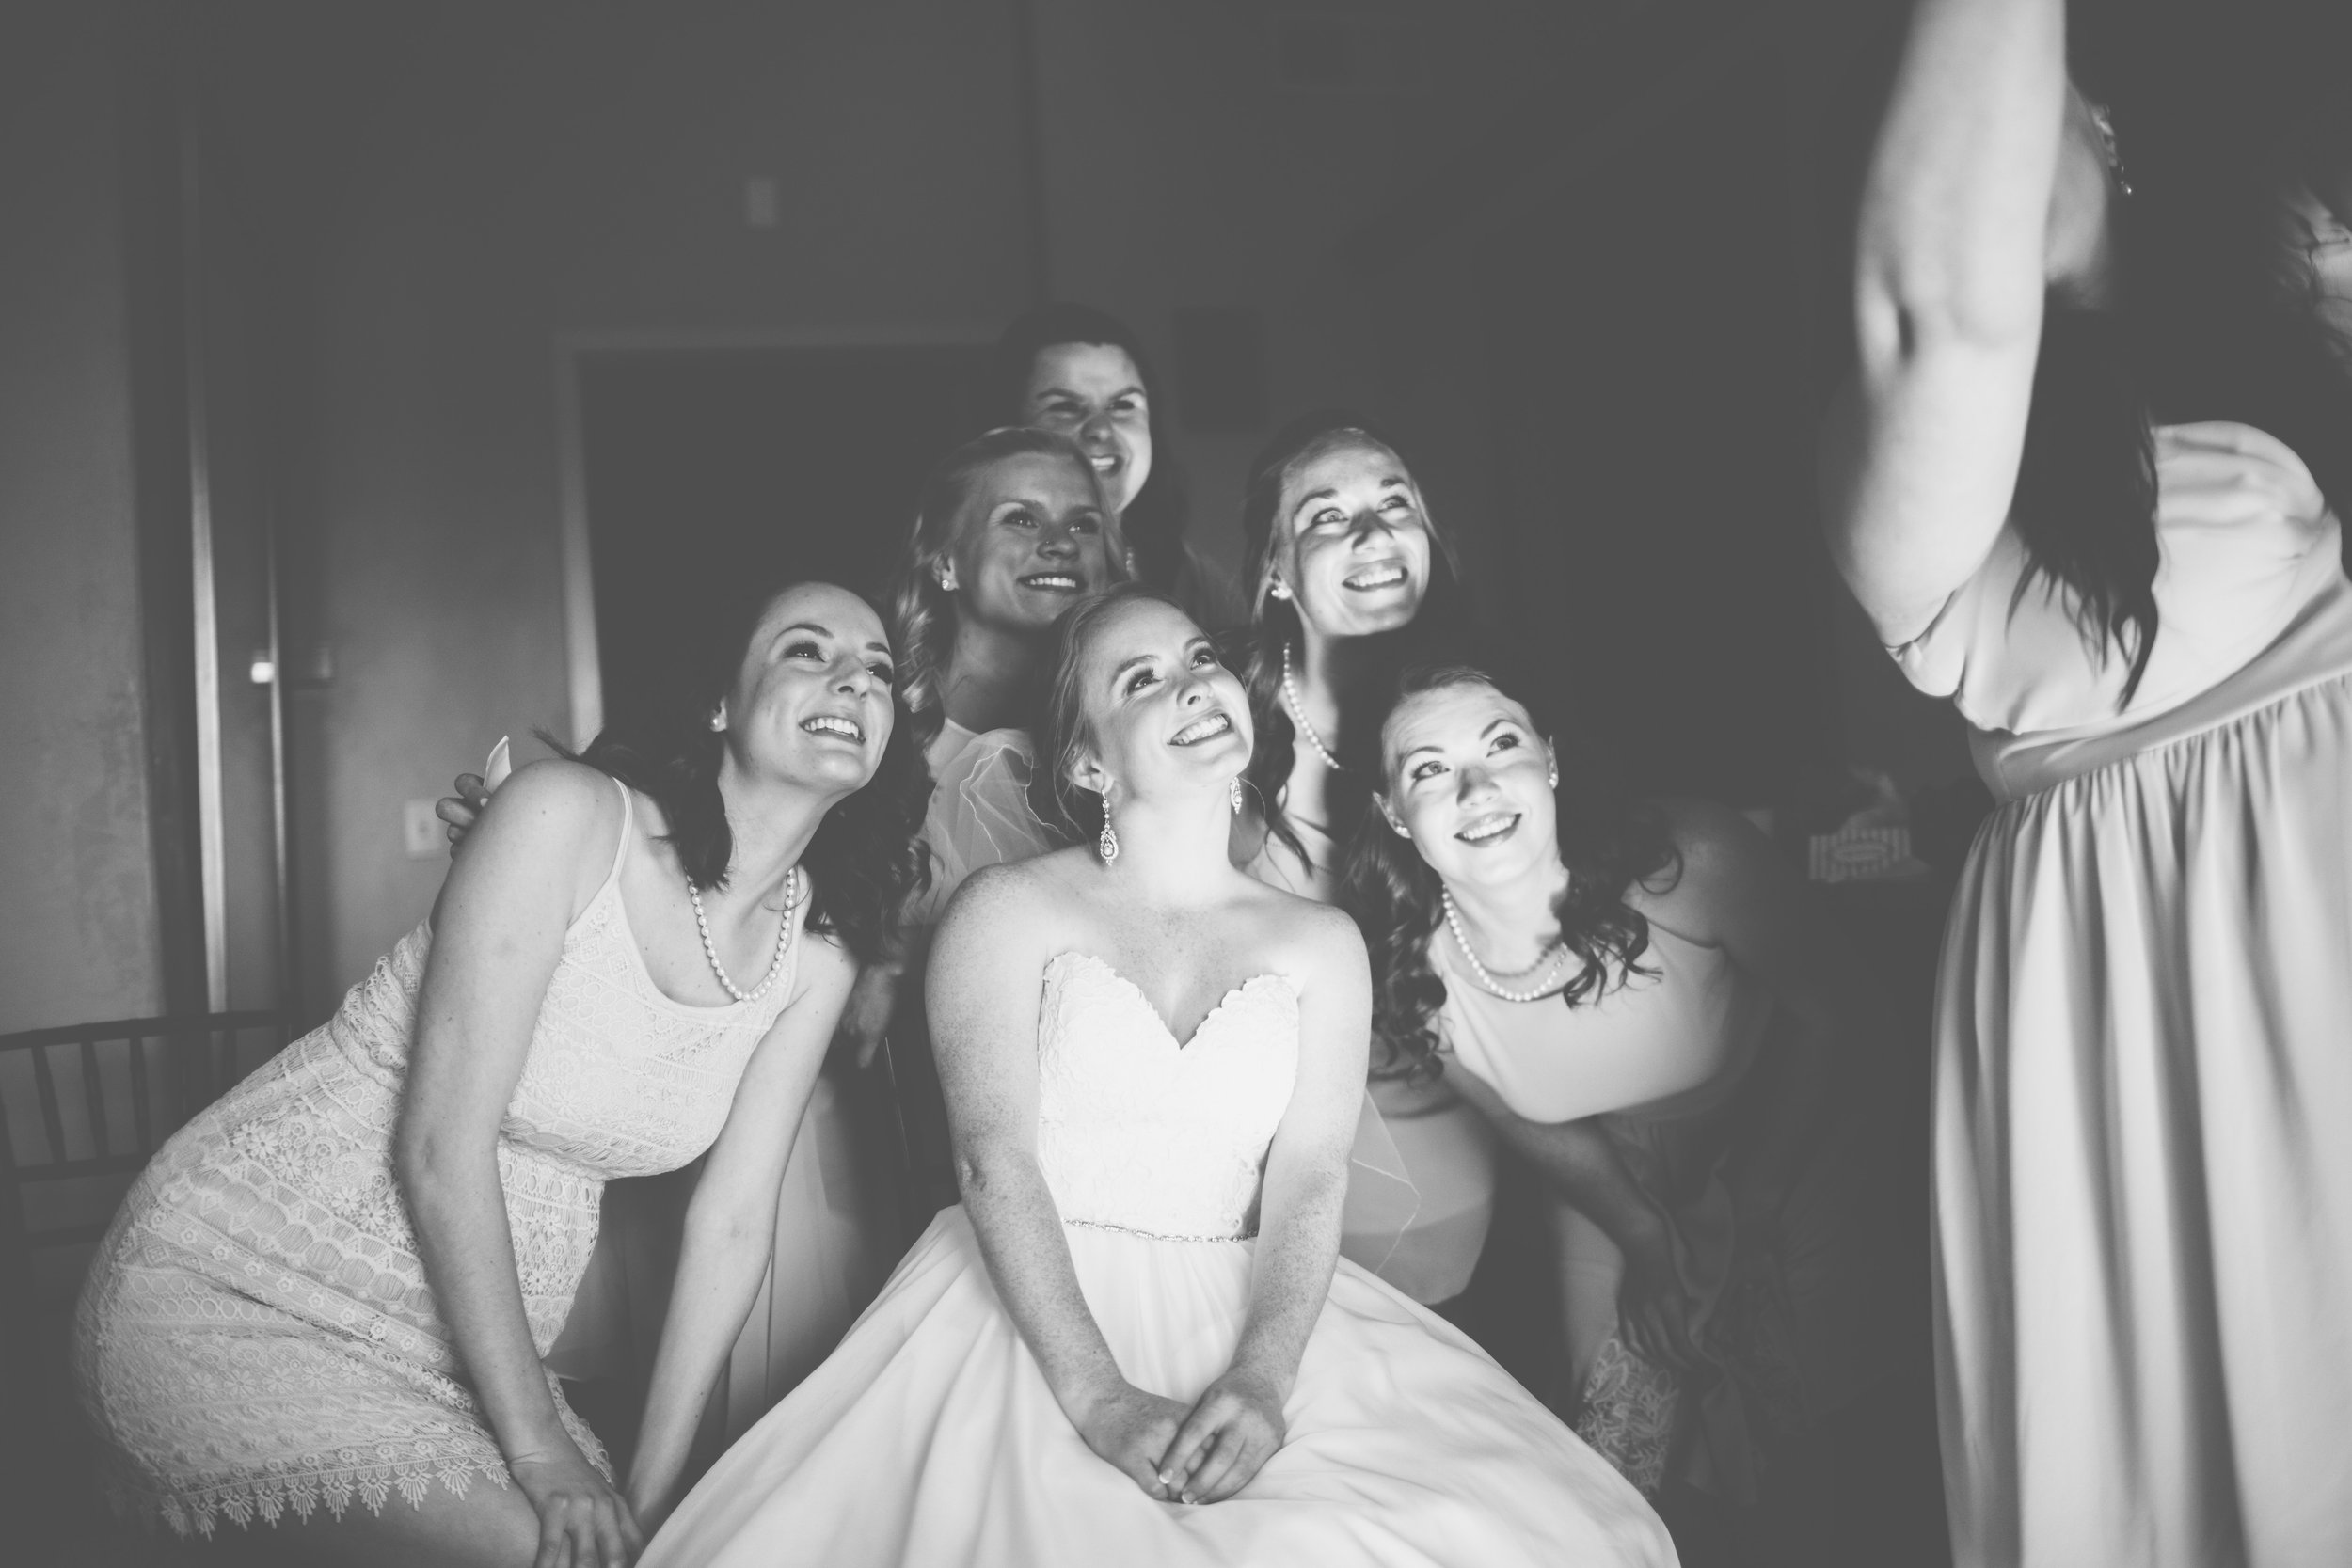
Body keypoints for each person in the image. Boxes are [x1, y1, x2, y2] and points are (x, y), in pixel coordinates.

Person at [636, 585, 1677, 1567]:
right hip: (1024, 1304)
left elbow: (1311, 1175)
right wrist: (1096, 1395)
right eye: (1139, 679)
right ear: (1088, 764)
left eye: (1202, 658)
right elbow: (990, 1155)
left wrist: (1266, 1378)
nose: (1190, 684)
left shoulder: (1323, 941)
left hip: (1246, 1304)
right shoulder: (1006, 909)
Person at [73, 579, 928, 1566]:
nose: (853, 681)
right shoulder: (565, 817)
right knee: (547, 1551)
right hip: (237, 1288)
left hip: (454, 1347)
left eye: (876, 671)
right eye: (808, 650)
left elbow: (734, 1222)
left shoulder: (815, 946)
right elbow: (439, 1143)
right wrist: (539, 1446)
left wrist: (652, 1488)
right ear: (721, 701)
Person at [1827, 1, 2352, 1561]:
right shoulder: (1895, 430)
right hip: (2123, 961)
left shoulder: (2291, 323)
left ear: (2103, 131)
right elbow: (1953, 309)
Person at [437, 428, 1124, 1429]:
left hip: (1059, 1143)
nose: (1056, 541)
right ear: (941, 556)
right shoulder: (860, 712)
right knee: (810, 1413)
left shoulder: (1118, 730)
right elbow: (673, 819)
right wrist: (518, 851)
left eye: (1082, 522)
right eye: (1021, 517)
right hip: (834, 1119)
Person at [1345, 663, 1906, 1560]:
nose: (1479, 788)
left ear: (1552, 762)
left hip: (1794, 1134)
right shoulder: (1409, 969)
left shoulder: (1689, 861)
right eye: (1429, 769)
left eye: (1502, 745)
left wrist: (1755, 1205)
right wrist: (1643, 1234)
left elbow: (1840, 1014)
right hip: (1608, 1175)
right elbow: (1526, 1118)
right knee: (1618, 1453)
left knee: (1807, 1418)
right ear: (1391, 812)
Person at [1227, 411, 1506, 1309]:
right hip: (1241, 1198)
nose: (1376, 533)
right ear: (1274, 570)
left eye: (1396, 504)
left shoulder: (1490, 728)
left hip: (1453, 1163)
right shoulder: (1219, 735)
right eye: (1327, 515)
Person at [992, 302, 1242, 629]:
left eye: (1123, 405)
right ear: (1011, 427)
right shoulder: (984, 572)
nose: (1101, 429)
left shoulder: (1194, 579)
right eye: (1066, 407)